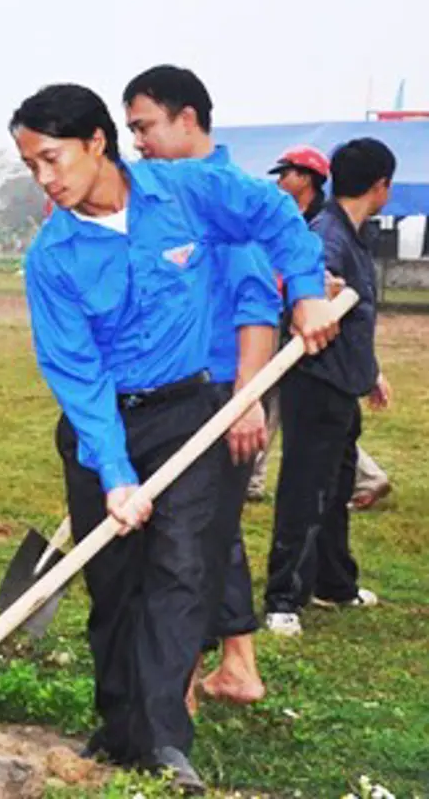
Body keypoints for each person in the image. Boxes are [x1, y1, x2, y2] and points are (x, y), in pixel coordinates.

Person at [11, 84, 334, 790]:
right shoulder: (53, 256)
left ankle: (161, 739)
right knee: (115, 580)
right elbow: (77, 372)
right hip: (103, 423)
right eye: (31, 165)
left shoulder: (188, 193)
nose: (45, 178)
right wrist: (115, 472)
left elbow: (275, 213)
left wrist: (305, 289)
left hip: (190, 414)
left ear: (98, 141)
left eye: (51, 158)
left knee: (183, 570)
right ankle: (119, 724)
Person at [123, 66, 278, 708]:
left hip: (215, 392)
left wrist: (244, 400)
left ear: (187, 120)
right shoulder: (169, 195)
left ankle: (178, 685)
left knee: (186, 541)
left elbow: (254, 306)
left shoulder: (222, 194)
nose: (138, 143)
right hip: (181, 388)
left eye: (144, 127)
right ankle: (235, 662)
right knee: (212, 531)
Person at [263, 138, 396, 637]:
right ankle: (283, 598)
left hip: (342, 382)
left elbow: (354, 317)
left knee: (337, 488)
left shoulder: (352, 234)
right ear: (380, 185)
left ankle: (334, 582)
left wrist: (372, 371)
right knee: (305, 490)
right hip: (314, 382)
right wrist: (317, 287)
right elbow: (303, 292)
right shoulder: (326, 237)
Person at [252, 146, 393, 509]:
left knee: (314, 454)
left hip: (317, 361)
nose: (281, 180)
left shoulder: (323, 230)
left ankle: (369, 477)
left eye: (287, 173)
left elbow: (324, 285)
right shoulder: (305, 223)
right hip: (304, 354)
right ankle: (253, 478)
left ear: (307, 177)